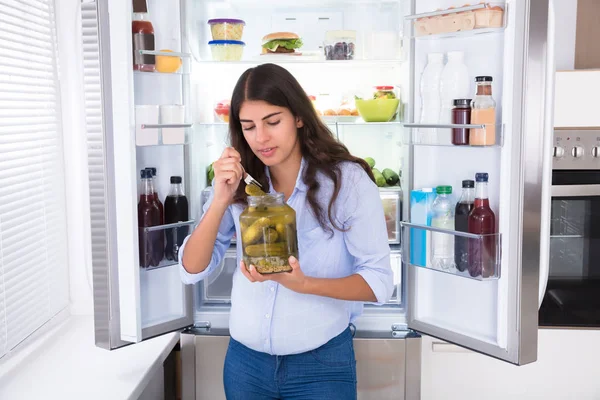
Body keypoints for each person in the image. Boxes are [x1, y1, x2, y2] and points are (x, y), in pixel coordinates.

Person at [179, 63, 393, 400]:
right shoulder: (238, 184)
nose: (260, 138)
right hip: (245, 365)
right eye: (248, 127)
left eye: (272, 122)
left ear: (299, 117)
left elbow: (379, 282)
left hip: (321, 367)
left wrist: (303, 284)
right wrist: (220, 199)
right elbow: (191, 269)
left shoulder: (345, 181)